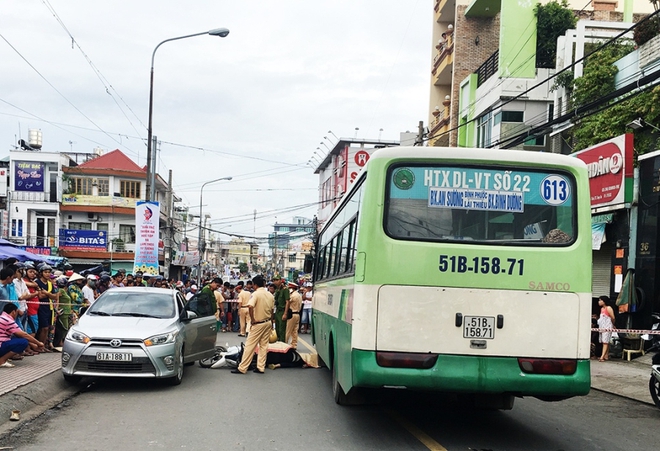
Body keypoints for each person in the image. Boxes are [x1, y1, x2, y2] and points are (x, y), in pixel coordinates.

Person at [232, 275, 274, 374]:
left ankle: (242, 368)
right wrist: (271, 322)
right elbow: (272, 310)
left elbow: (250, 306)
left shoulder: (255, 294)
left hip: (258, 323)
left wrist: (253, 320)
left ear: (255, 285)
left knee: (250, 346)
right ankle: (260, 367)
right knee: (264, 346)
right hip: (267, 322)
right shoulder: (270, 295)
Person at [0, 303, 43, 368]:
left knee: (17, 338)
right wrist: (38, 343)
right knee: (23, 342)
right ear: (13, 312)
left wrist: (32, 344)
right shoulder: (8, 320)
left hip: (2, 342)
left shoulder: (2, 317)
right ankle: (2, 360)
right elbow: (24, 335)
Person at [35, 264, 58, 352]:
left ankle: (44, 345)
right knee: (43, 328)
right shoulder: (37, 282)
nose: (47, 274)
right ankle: (40, 346)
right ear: (41, 273)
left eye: (49, 272)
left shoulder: (50, 284)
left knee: (48, 328)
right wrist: (49, 294)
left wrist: (47, 294)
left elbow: (54, 296)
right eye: (45, 272)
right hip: (41, 307)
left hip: (49, 307)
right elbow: (40, 296)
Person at [283, 282, 302, 349]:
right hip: (297, 314)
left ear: (292, 289)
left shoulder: (293, 296)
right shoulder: (299, 295)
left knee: (287, 330)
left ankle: (284, 344)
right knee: (294, 331)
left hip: (292, 314)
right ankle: (294, 345)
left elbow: (287, 302)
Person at [597, 295, 616, 362]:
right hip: (602, 327)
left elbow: (613, 317)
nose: (599, 302)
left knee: (605, 342)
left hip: (607, 327)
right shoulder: (602, 309)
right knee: (604, 341)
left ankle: (602, 357)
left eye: (600, 300)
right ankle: (606, 355)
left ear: (604, 301)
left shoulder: (609, 308)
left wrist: (613, 324)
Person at [273, 276, 289, 342]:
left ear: (280, 280)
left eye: (276, 280)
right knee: (277, 329)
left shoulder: (285, 290)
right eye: (274, 280)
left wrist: (285, 313)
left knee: (282, 330)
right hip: (277, 311)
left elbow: (287, 302)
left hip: (282, 311)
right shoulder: (277, 290)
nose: (275, 282)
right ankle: (279, 343)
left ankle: (282, 344)